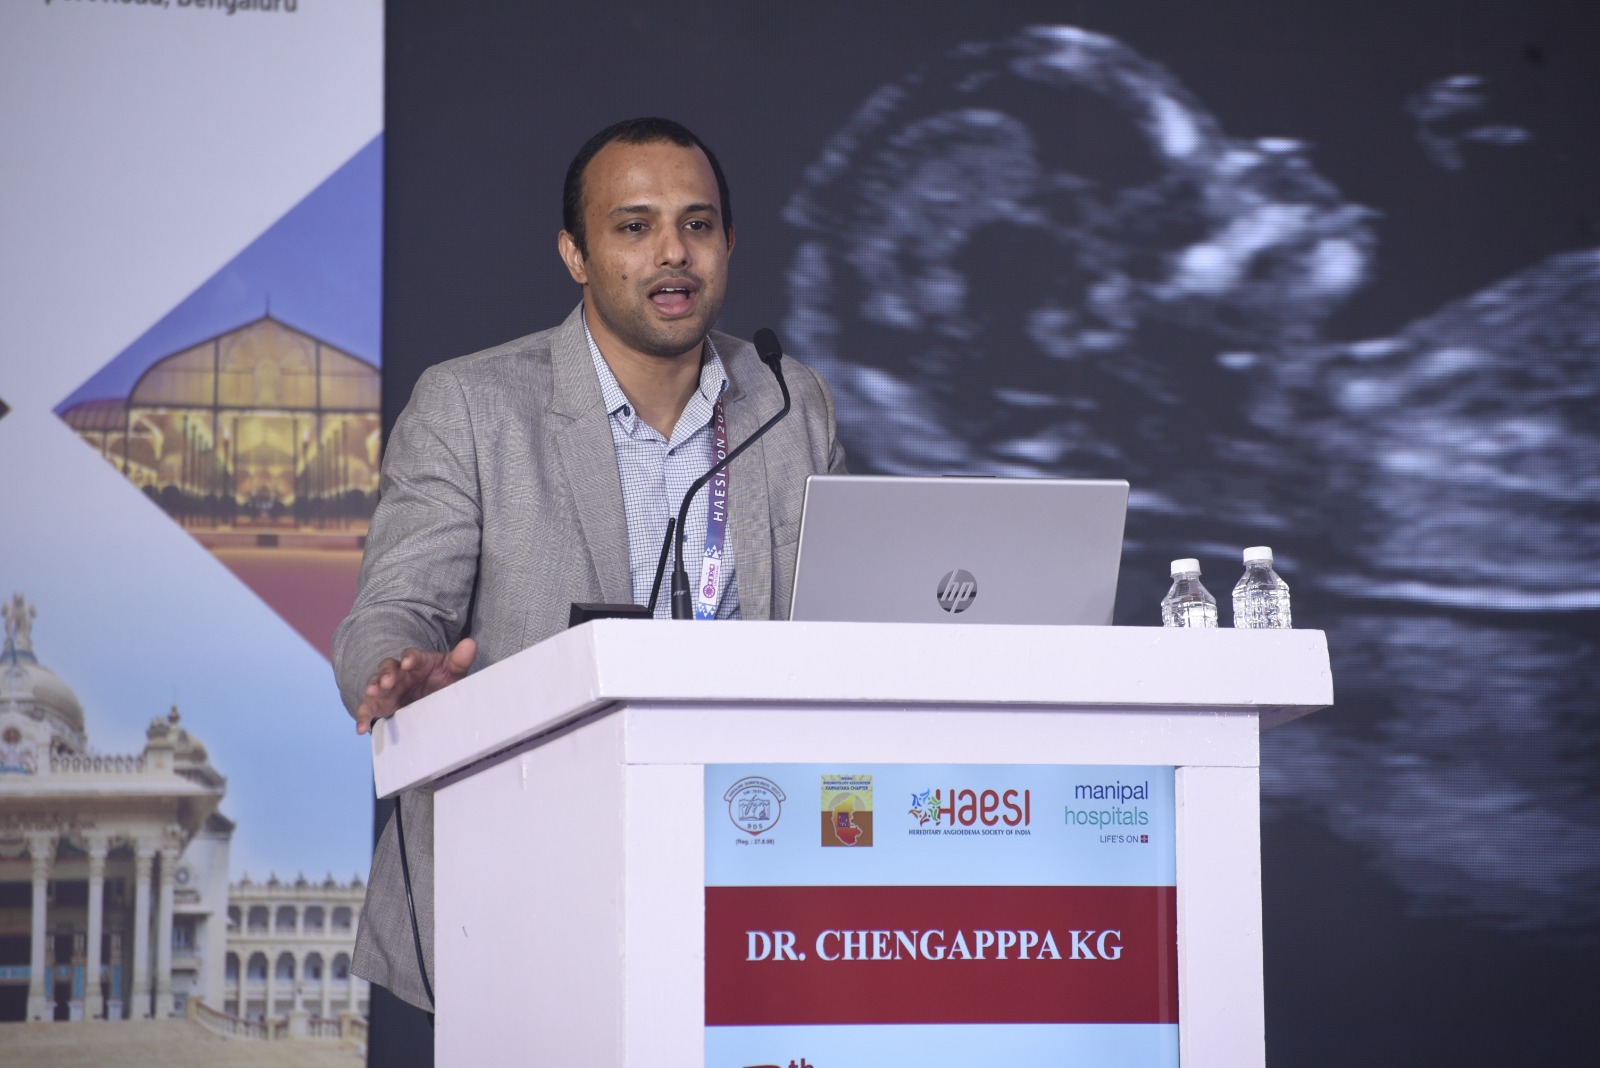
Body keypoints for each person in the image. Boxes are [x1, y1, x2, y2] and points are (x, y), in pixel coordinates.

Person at [331, 117, 846, 1013]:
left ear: (729, 242)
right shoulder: (472, 406)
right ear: (575, 253)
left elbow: (844, 620)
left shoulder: (788, 400)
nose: (673, 252)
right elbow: (395, 609)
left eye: (697, 224)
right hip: (520, 881)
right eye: (634, 226)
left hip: (745, 864)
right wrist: (395, 675)